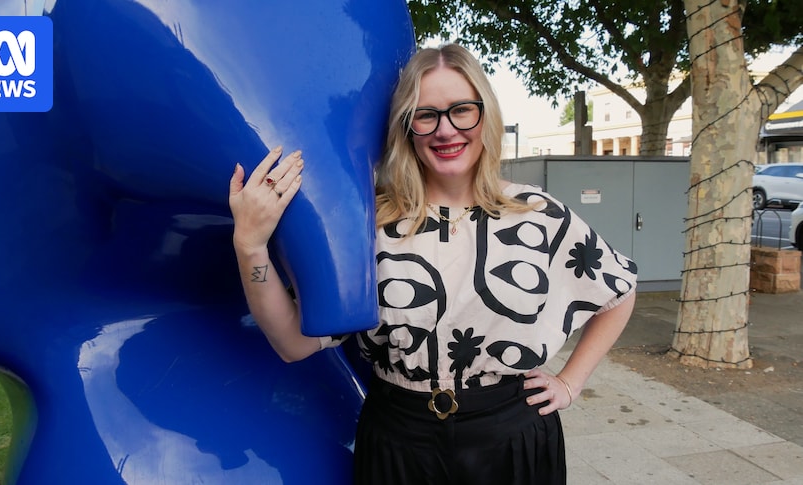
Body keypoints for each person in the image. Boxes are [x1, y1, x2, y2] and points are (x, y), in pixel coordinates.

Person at [228, 43, 637, 484]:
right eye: (426, 115)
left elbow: (619, 292)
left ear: (486, 115)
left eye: (461, 110)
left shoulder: (539, 215)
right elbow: (293, 343)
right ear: (407, 128)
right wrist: (250, 245)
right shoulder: (368, 228)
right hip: (398, 440)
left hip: (511, 438)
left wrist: (571, 382)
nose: (446, 130)